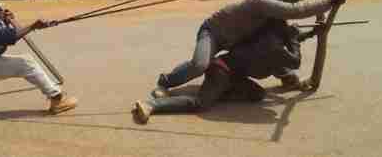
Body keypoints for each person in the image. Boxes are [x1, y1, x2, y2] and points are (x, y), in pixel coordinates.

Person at [151, 0, 349, 99]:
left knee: (269, 44)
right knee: (199, 65)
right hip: (213, 32)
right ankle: (165, 82)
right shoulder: (260, 1)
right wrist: (330, 1)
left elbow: (288, 0)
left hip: (238, 37)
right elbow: (293, 9)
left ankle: (285, 74)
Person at [133, 19, 325, 124]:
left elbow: (292, 42)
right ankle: (152, 105)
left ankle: (218, 91)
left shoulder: (268, 34)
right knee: (200, 103)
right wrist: (296, 37)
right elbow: (295, 59)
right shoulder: (275, 49)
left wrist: (309, 34)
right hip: (222, 70)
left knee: (257, 94)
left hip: (231, 72)